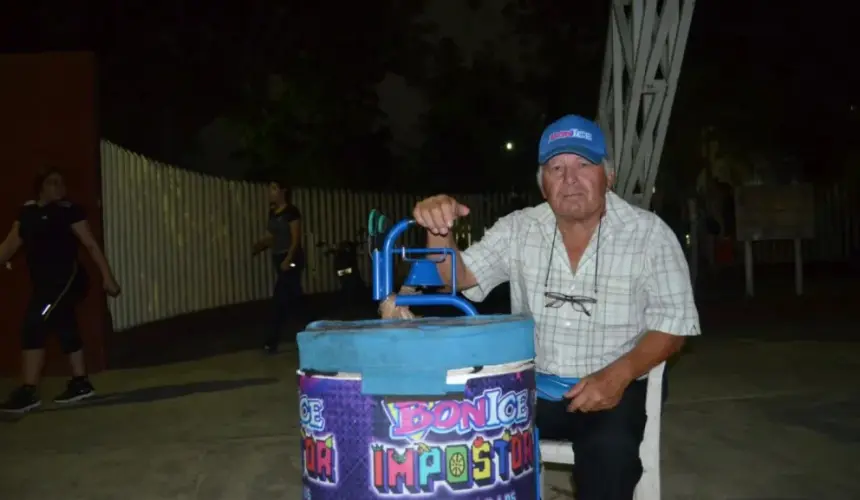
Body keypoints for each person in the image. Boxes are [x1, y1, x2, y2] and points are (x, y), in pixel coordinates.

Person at [412, 114, 700, 500]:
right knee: (455, 435)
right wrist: (438, 229)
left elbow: (674, 323)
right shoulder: (519, 228)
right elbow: (458, 278)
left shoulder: (649, 235)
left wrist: (618, 375)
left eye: (584, 165)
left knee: (610, 455)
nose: (570, 178)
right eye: (556, 168)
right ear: (543, 184)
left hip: (614, 384)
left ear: (607, 177)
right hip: (530, 389)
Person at [0, 168, 121, 413]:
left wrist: (107, 278)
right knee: (64, 322)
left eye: (61, 183)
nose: (59, 187)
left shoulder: (69, 212)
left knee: (34, 323)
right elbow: (10, 244)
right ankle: (81, 383)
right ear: (41, 188)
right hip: (45, 285)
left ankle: (28, 390)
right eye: (52, 183)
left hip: (68, 280)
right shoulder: (28, 214)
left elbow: (90, 244)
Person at [252, 178, 303, 354]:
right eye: (269, 189)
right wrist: (260, 245)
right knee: (294, 299)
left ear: (283, 191)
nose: (270, 192)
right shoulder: (272, 212)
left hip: (291, 259)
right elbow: (271, 236)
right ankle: (312, 331)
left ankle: (270, 341)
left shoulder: (291, 212)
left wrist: (289, 259)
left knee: (279, 299)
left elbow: (296, 239)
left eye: (273, 189)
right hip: (278, 259)